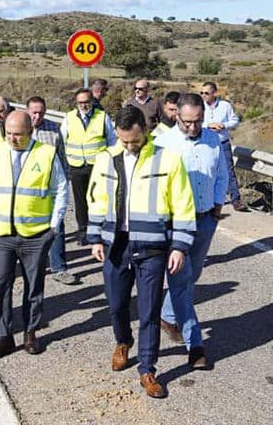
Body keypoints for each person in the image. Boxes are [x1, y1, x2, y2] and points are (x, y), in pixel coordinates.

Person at [88, 105, 196, 399]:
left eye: (134, 141)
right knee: (115, 303)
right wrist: (96, 237)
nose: (129, 146)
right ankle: (123, 341)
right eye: (124, 141)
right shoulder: (106, 159)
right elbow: (97, 199)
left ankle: (147, 368)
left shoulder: (168, 160)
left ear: (144, 131)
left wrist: (180, 246)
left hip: (153, 248)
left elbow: (183, 205)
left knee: (148, 310)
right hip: (116, 245)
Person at [0, 111, 68, 358]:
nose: (13, 139)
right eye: (8, 134)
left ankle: (30, 333)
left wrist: (55, 226)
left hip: (35, 234)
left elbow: (60, 189)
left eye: (18, 134)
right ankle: (3, 337)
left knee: (33, 286)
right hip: (1, 233)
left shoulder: (46, 154)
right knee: (0, 285)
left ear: (31, 132)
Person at [154, 93, 228, 370]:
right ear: (177, 117)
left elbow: (221, 174)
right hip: (177, 224)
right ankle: (194, 343)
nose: (193, 128)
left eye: (197, 122)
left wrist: (218, 205)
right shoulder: (163, 144)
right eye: (187, 122)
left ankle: (167, 314)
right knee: (180, 282)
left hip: (206, 219)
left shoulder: (213, 140)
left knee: (192, 276)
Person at [26, 96, 79, 285]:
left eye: (41, 112)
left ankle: (59, 268)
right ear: (27, 111)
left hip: (51, 187)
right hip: (28, 191)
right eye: (34, 112)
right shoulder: (20, 129)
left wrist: (63, 182)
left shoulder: (53, 129)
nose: (37, 116)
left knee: (57, 227)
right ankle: (30, 267)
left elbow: (62, 157)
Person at [60, 88, 116, 246]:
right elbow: (63, 141)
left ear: (92, 102)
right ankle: (83, 231)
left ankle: (99, 230)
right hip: (77, 167)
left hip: (97, 167)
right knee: (80, 201)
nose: (83, 105)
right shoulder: (69, 118)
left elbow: (112, 140)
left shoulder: (102, 117)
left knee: (98, 199)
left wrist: (109, 161)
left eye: (86, 102)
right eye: (80, 103)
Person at [201, 82, 248, 212]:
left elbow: (235, 121)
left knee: (228, 171)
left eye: (206, 93)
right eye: (202, 93)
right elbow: (196, 122)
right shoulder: (200, 106)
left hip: (222, 143)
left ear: (215, 93)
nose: (203, 96)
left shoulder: (225, 106)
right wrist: (208, 126)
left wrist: (223, 125)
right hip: (205, 143)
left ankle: (236, 200)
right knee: (207, 170)